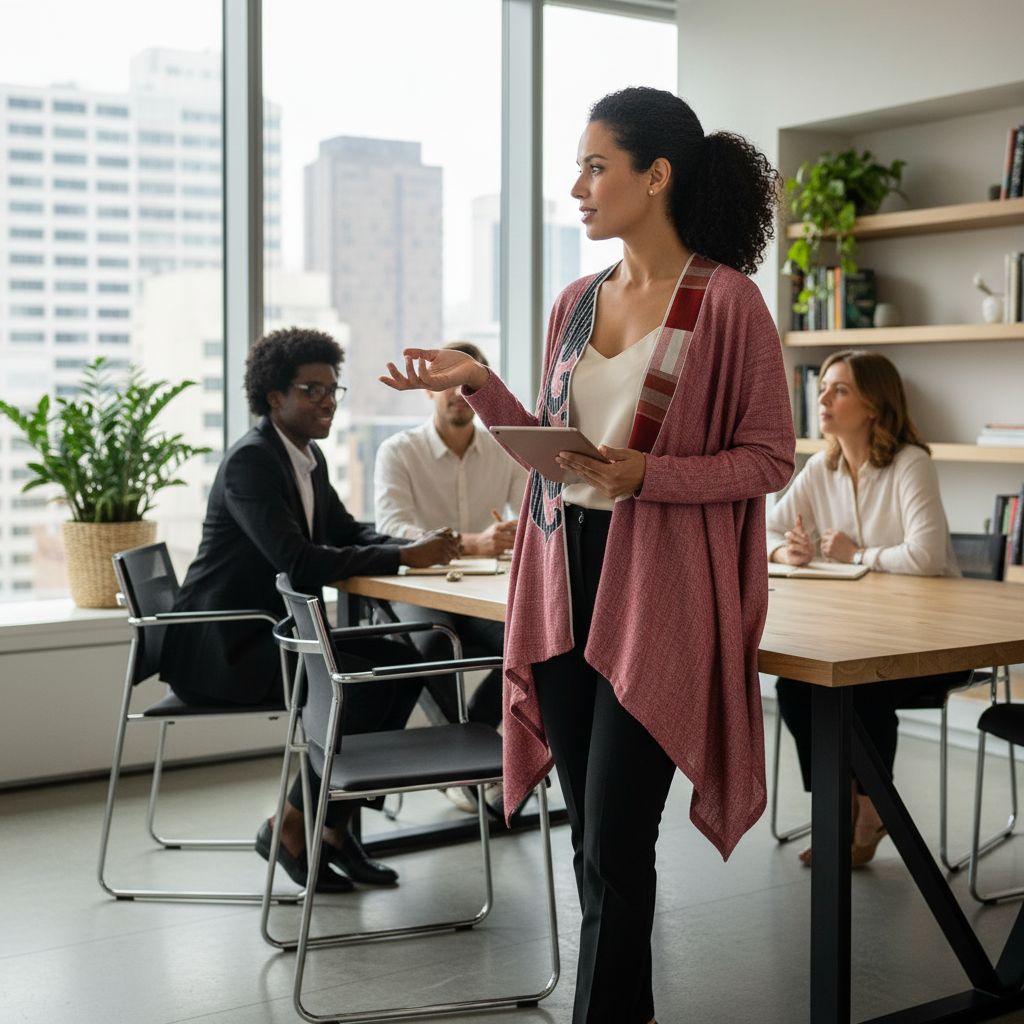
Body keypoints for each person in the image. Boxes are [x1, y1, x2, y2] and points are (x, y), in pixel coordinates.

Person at [381, 87, 794, 1024]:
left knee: (614, 833)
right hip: (562, 576)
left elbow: (770, 457)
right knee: (591, 840)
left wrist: (652, 472)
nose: (577, 185)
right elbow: (553, 446)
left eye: (595, 165)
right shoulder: (576, 301)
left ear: (657, 177)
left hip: (662, 593)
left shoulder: (729, 304)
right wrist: (481, 385)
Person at [159, 326, 460, 893]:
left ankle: (334, 826)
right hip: (227, 647)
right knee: (361, 681)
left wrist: (413, 543)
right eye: (312, 390)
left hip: (272, 634)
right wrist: (401, 555)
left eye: (332, 390)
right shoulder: (251, 463)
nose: (326, 401)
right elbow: (295, 561)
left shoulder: (305, 455)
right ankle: (294, 825)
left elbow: (342, 531)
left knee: (393, 664)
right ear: (275, 397)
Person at [769, 349, 966, 867]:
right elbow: (764, 527)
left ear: (874, 405)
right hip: (858, 631)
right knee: (795, 685)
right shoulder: (821, 467)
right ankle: (847, 808)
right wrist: (784, 550)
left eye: (840, 390)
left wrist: (856, 553)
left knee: (861, 686)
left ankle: (867, 814)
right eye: (823, 389)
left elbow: (926, 556)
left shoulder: (910, 463)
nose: (824, 399)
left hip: (934, 641)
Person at [374, 340, 527, 730]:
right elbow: (392, 530)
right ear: (428, 389)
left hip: (480, 590)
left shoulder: (505, 448)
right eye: (448, 381)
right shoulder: (398, 451)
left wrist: (519, 529)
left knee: (531, 643)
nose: (461, 394)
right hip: (419, 587)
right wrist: (472, 542)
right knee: (434, 645)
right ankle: (468, 768)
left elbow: (532, 510)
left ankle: (472, 744)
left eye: (468, 382)